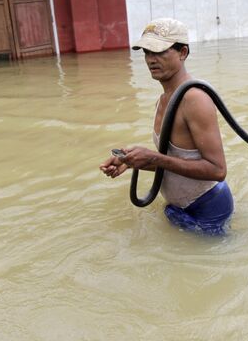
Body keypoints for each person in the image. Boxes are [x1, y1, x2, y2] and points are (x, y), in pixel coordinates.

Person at [99, 18, 234, 234]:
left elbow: (217, 170)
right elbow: (176, 160)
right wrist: (134, 161)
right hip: (181, 207)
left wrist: (153, 158)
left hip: (208, 208)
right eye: (146, 52)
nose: (151, 59)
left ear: (183, 53)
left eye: (160, 52)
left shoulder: (195, 99)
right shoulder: (162, 100)